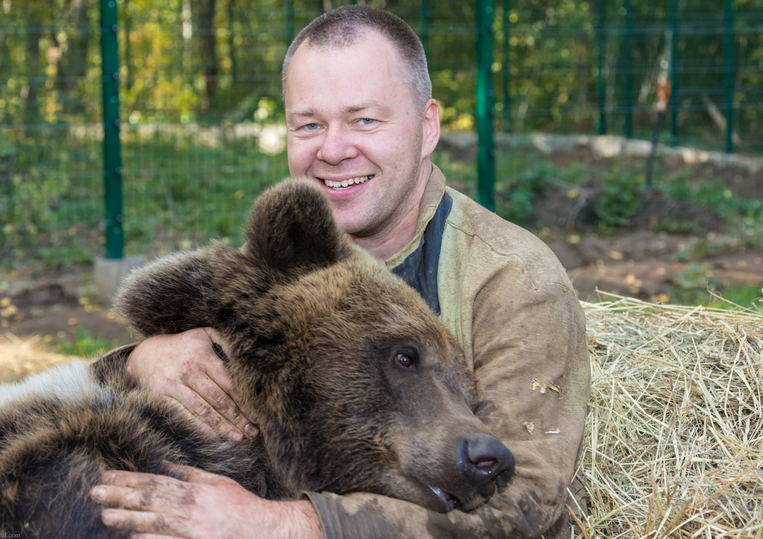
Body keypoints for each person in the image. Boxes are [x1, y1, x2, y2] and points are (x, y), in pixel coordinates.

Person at [89, 6, 590, 538]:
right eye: (309, 125)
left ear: (427, 128)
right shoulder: (293, 266)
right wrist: (141, 362)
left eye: (364, 120)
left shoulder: (512, 280)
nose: (332, 150)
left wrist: (282, 525)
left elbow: (525, 502)